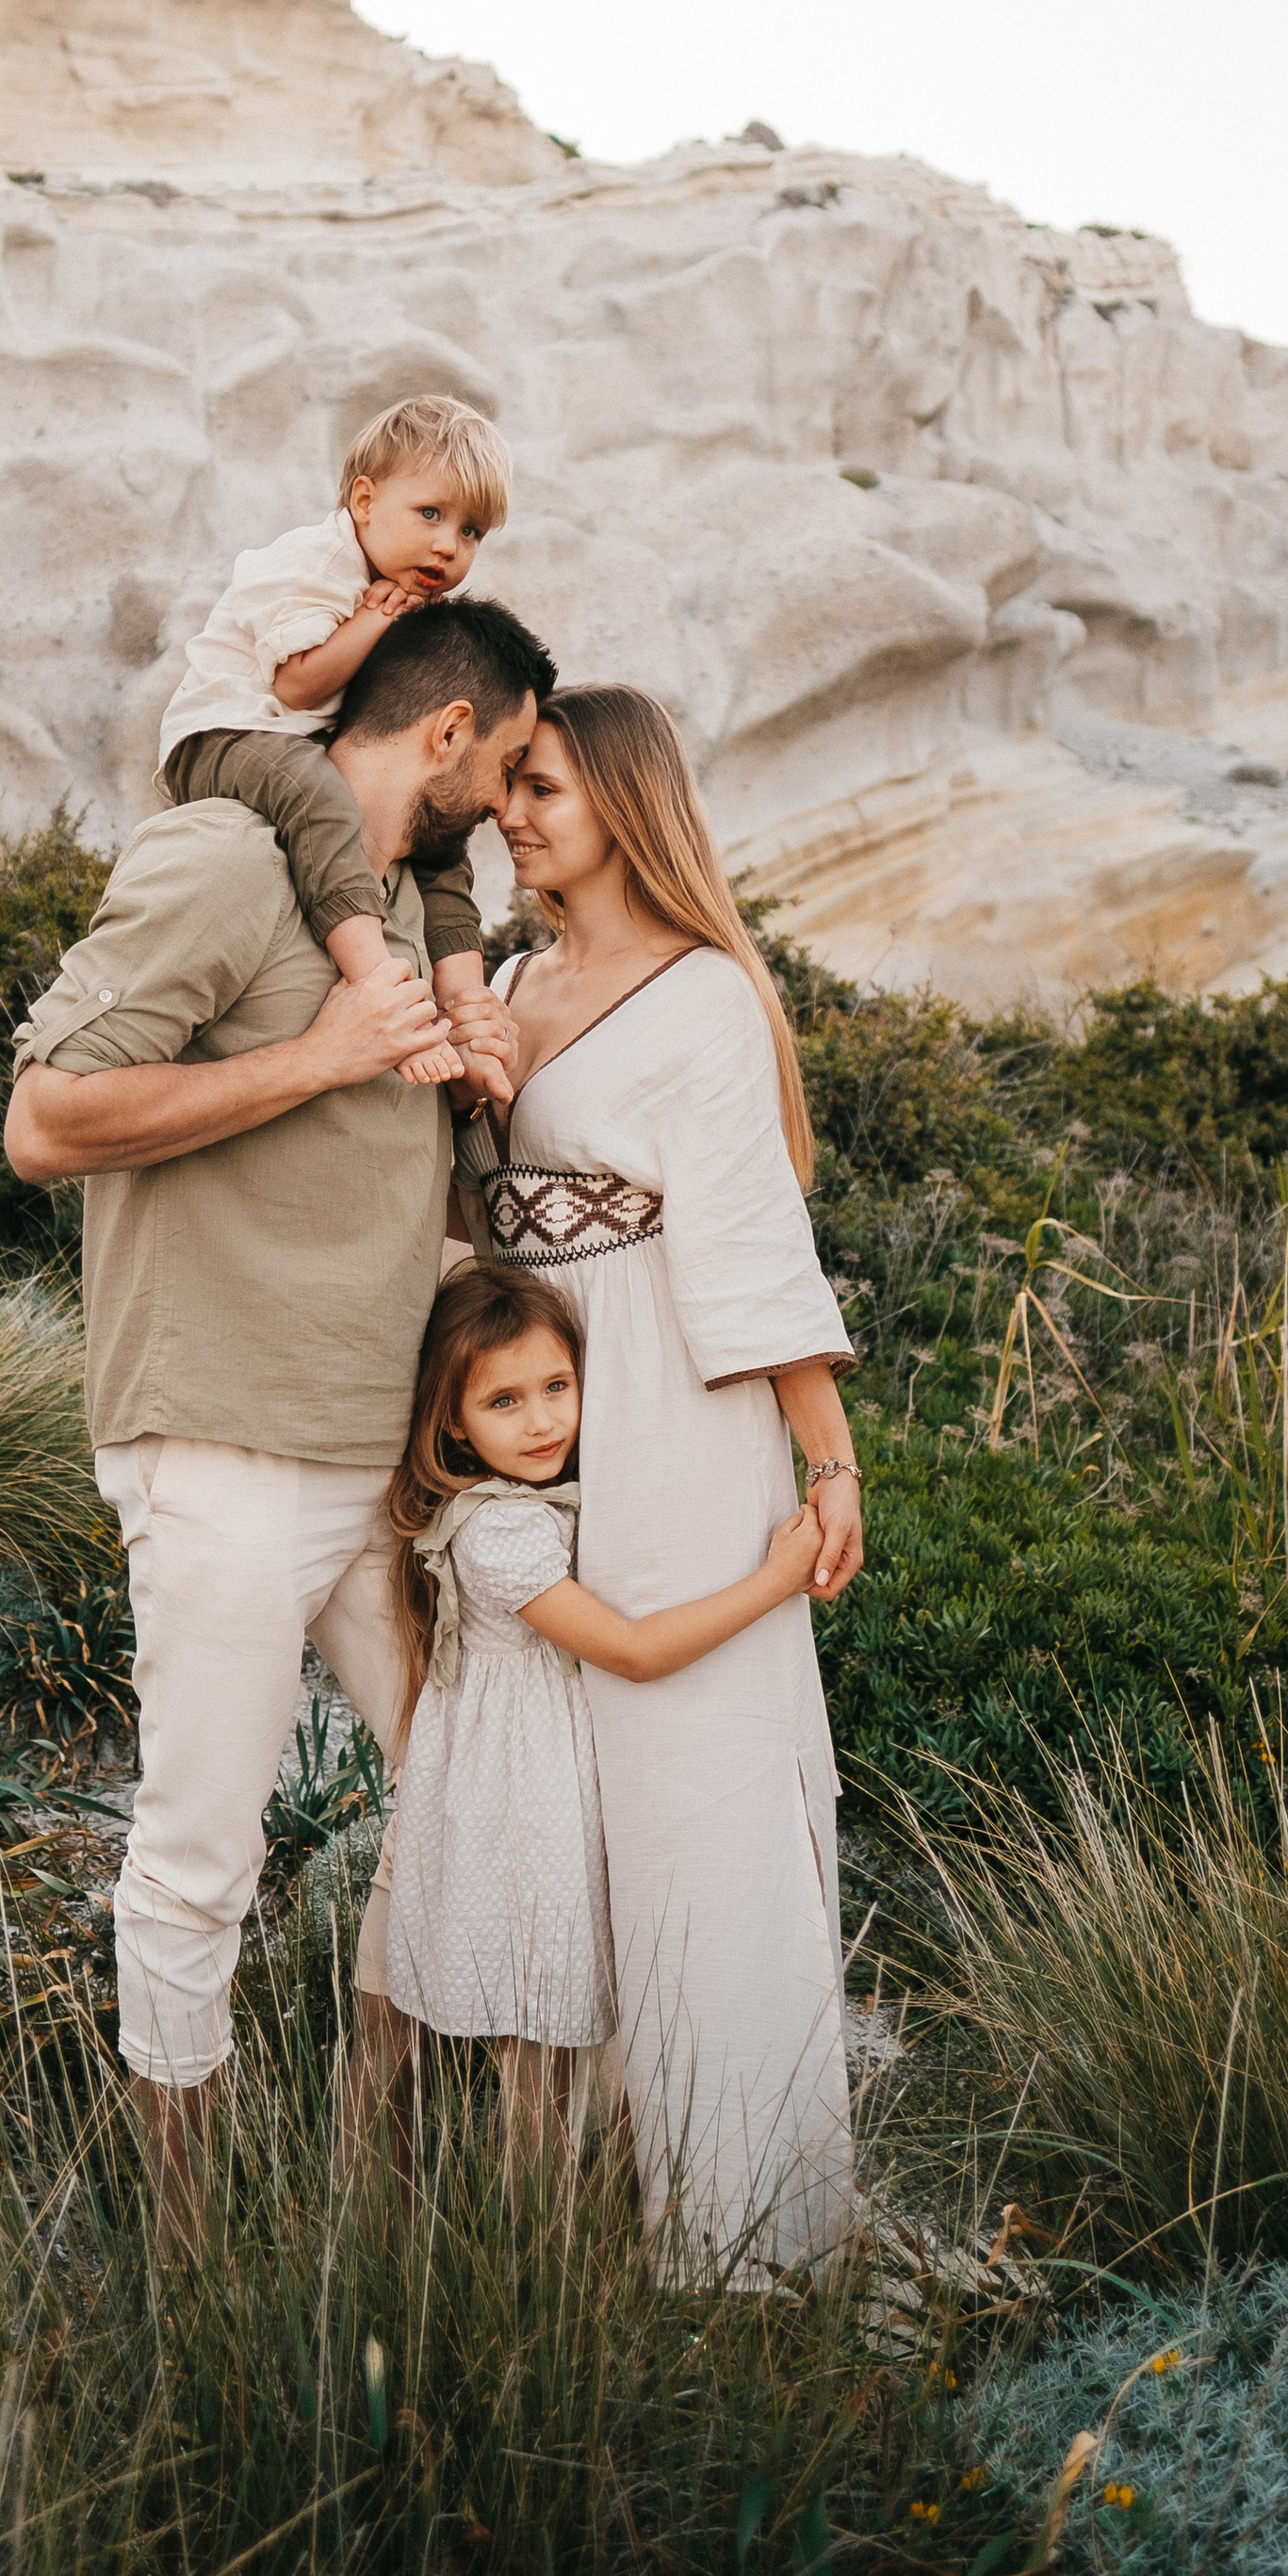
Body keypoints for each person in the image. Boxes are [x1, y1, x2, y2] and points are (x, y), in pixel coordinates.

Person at [3, 593, 556, 2238]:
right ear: (447, 734)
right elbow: (44, 1121)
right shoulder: (227, 861)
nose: (509, 810)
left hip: (380, 1464)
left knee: (465, 1790)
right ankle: (188, 2246)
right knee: (200, 1858)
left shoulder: (401, 914)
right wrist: (318, 1058)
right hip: (222, 1448)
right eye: (508, 768)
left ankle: (373, 2159)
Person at [460, 682, 865, 2277]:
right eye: (507, 786)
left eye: (543, 788)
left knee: (694, 1785)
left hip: (678, 1413)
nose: (512, 813)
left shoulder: (703, 998)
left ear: (624, 805)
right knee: (554, 1796)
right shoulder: (508, 978)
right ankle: (575, 2210)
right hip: (538, 1422)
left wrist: (828, 1462)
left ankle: (742, 2226)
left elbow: (754, 1247)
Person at [383, 1261, 827, 2209]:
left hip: (555, 1789)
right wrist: (773, 1581)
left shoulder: (551, 1500)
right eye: (504, 1401)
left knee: (575, 2045)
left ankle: (597, 2218)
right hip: (524, 1816)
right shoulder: (497, 1535)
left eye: (558, 1386)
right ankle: (536, 2250)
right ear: (453, 1423)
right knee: (538, 2055)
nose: (542, 1421)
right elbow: (630, 1651)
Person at [156, 395, 514, 1094]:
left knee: (441, 836)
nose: (449, 545)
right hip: (228, 731)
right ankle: (378, 987)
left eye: (471, 531)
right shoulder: (314, 563)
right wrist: (371, 624)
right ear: (364, 501)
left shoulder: (400, 586)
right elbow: (296, 687)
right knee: (317, 796)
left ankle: (466, 1008)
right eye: (431, 514)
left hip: (296, 742)